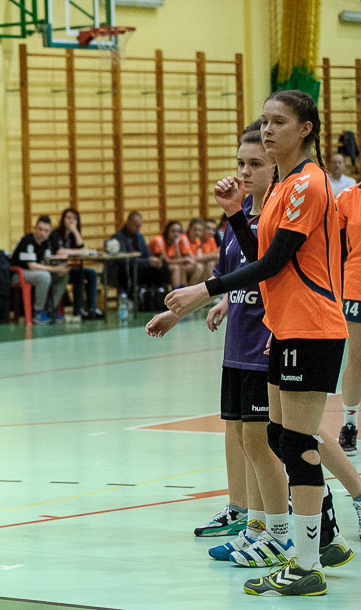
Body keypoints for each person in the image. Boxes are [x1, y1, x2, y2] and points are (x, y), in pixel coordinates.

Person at [147, 125, 355, 572]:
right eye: (241, 162)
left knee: (287, 439)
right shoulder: (247, 212)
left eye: (256, 163)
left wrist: (209, 292)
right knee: (261, 439)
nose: (244, 171)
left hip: (280, 335)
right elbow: (239, 268)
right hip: (243, 344)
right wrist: (202, 305)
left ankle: (297, 531)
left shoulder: (294, 201)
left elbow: (271, 268)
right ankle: (278, 530)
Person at [337, 182, 361, 456]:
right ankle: (349, 424)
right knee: (356, 360)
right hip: (356, 286)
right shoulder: (348, 198)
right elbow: (334, 247)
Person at [48, 207, 104, 320]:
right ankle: (78, 310)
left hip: (70, 268)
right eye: (68, 218)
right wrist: (78, 251)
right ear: (63, 219)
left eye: (74, 219)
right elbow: (59, 252)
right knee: (80, 274)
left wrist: (75, 231)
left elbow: (81, 248)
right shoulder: (55, 234)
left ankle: (92, 308)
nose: (71, 221)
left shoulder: (73, 236)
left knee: (92, 274)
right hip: (57, 269)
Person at [9, 216, 69, 324]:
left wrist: (58, 264)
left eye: (46, 231)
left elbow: (47, 261)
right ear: (35, 228)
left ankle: (51, 310)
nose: (42, 233)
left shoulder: (46, 243)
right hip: (18, 274)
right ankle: (38, 312)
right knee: (44, 276)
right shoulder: (27, 240)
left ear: (49, 232)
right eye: (40, 229)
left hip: (34, 273)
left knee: (63, 275)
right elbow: (31, 265)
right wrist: (55, 268)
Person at [106, 211, 169, 297]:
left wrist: (156, 260)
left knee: (162, 267)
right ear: (128, 223)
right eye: (136, 225)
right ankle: (134, 297)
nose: (138, 228)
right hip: (125, 271)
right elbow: (123, 260)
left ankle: (156, 295)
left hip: (141, 268)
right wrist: (147, 262)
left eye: (139, 225)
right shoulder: (118, 237)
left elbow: (148, 254)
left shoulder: (139, 236)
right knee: (130, 271)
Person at [150, 220, 196, 288]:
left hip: (166, 266)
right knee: (176, 268)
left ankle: (183, 290)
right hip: (153, 267)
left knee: (181, 267)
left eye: (178, 231)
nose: (176, 234)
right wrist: (185, 259)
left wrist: (176, 244)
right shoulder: (159, 239)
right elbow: (166, 261)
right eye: (173, 231)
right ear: (167, 231)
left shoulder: (175, 241)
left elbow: (178, 260)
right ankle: (176, 291)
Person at [187, 218, 219, 284]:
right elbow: (195, 258)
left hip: (199, 264)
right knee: (205, 265)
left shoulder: (211, 240)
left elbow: (215, 255)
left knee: (211, 263)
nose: (211, 232)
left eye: (213, 229)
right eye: (208, 228)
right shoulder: (196, 239)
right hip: (188, 264)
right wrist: (212, 256)